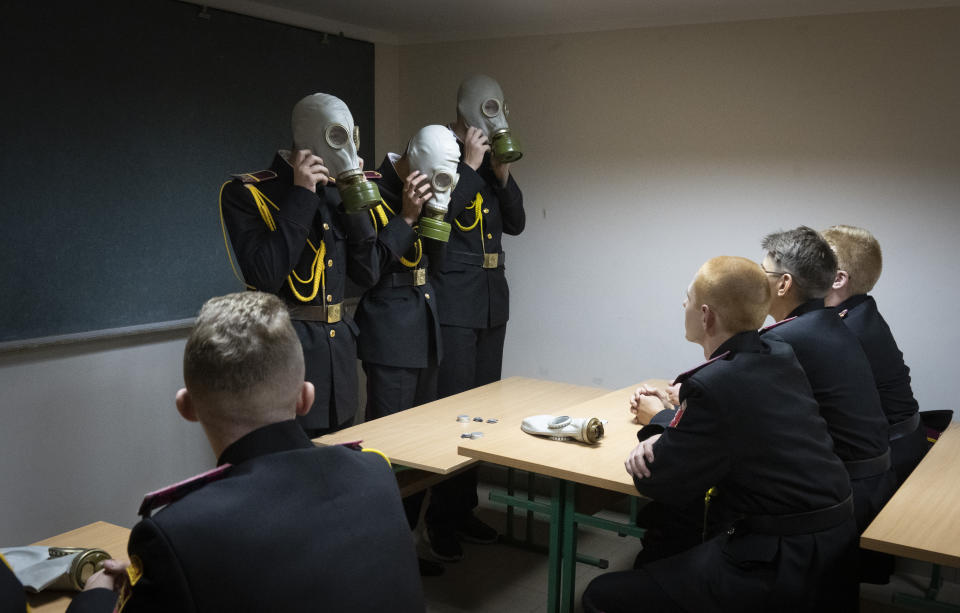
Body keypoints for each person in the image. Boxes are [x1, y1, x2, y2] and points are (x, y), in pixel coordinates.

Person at [66, 292, 424, 613]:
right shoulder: (375, 472)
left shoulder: (178, 533)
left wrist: (97, 596)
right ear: (305, 398)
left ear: (186, 407)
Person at [582, 256, 857, 613]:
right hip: (832, 541)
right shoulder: (777, 352)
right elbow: (732, 429)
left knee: (601, 595)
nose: (684, 304)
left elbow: (660, 482)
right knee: (672, 544)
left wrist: (657, 439)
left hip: (780, 559)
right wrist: (671, 429)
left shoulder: (715, 383)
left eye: (689, 299)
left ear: (706, 315)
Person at [219, 93, 379, 438]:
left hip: (339, 356)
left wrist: (356, 196)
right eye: (337, 136)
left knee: (336, 466)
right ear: (305, 135)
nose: (345, 146)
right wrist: (302, 195)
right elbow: (264, 275)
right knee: (291, 470)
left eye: (351, 136)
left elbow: (367, 274)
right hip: (286, 354)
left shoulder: (338, 192)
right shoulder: (249, 192)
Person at [423, 75, 526, 561]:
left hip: (490, 302)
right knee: (453, 417)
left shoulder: (492, 163)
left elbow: (517, 223)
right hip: (455, 304)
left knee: (482, 417)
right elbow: (435, 226)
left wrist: (500, 175)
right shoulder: (441, 152)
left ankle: (464, 509)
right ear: (464, 113)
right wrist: (469, 166)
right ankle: (439, 519)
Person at [355, 125, 458, 576]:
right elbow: (366, 270)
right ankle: (378, 555)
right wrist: (407, 217)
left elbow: (438, 264)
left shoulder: (433, 186)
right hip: (390, 333)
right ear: (413, 159)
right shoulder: (368, 190)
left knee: (421, 450)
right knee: (388, 452)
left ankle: (406, 548)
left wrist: (438, 212)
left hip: (424, 326)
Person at [821, 225, 926, 484]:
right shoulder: (861, 311)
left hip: (891, 462)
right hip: (903, 444)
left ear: (837, 279)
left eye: (812, 267)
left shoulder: (842, 331)